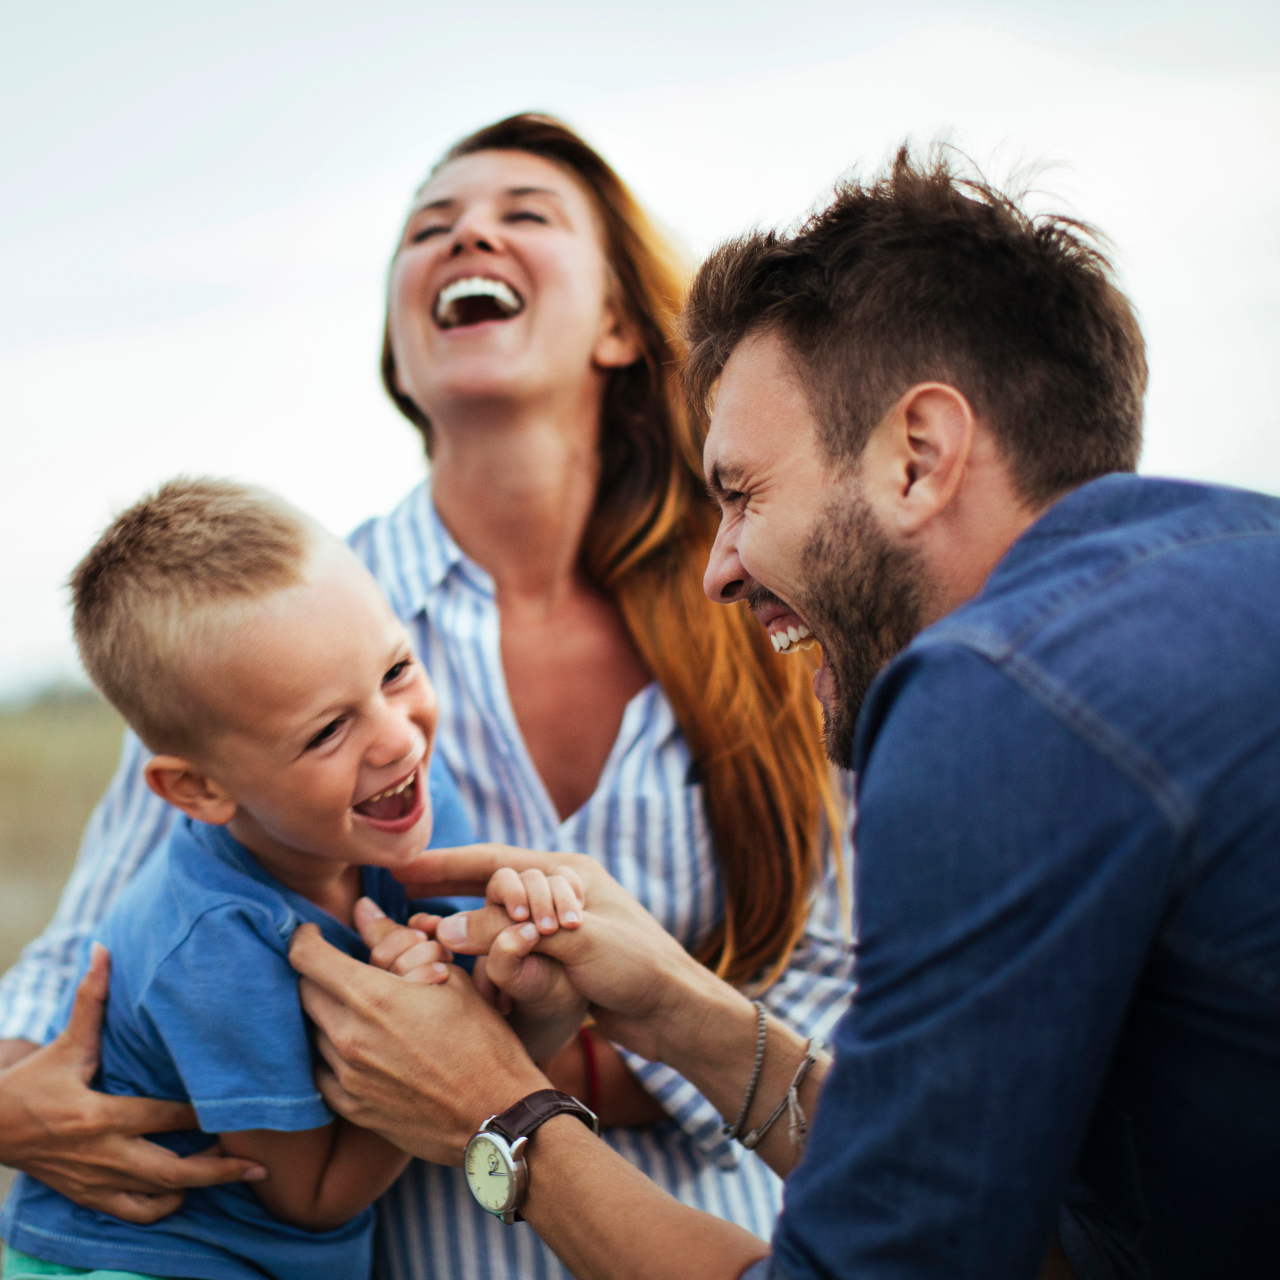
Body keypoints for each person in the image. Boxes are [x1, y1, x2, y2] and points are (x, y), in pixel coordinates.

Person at [281, 147, 1280, 1280]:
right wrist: (680, 1008)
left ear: (918, 456)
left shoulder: (992, 700)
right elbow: (1025, 1250)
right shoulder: (1232, 563)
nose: (718, 568)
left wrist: (499, 1114)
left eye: (743, 493)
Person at [0, 116, 855, 1280]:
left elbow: (834, 973)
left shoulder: (753, 600)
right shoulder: (259, 634)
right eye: (428, 228)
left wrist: (513, 1055)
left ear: (615, 321)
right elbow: (92, 945)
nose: (467, 237)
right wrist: (11, 1101)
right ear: (402, 357)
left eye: (524, 215)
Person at [1, 478, 500, 1278]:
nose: (397, 739)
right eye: (329, 730)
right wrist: (426, 1035)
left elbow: (500, 1000)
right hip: (137, 1258)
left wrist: (536, 932)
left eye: (396, 671)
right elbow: (313, 1197)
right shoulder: (214, 941)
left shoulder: (411, 799)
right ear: (198, 791)